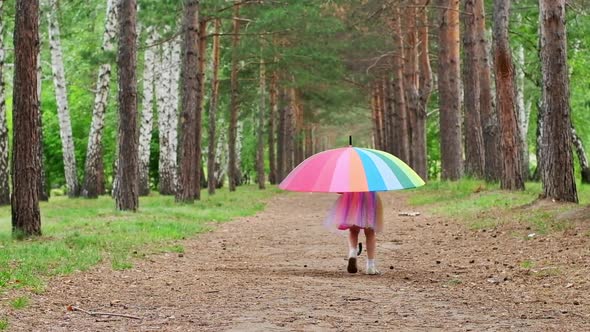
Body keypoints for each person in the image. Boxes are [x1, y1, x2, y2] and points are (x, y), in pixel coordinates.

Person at [325, 191, 384, 275]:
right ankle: (370, 265)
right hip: (369, 197)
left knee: (353, 230)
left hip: (351, 196)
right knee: (370, 232)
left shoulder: (348, 177)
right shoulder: (371, 177)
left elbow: (340, 189)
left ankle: (352, 252)